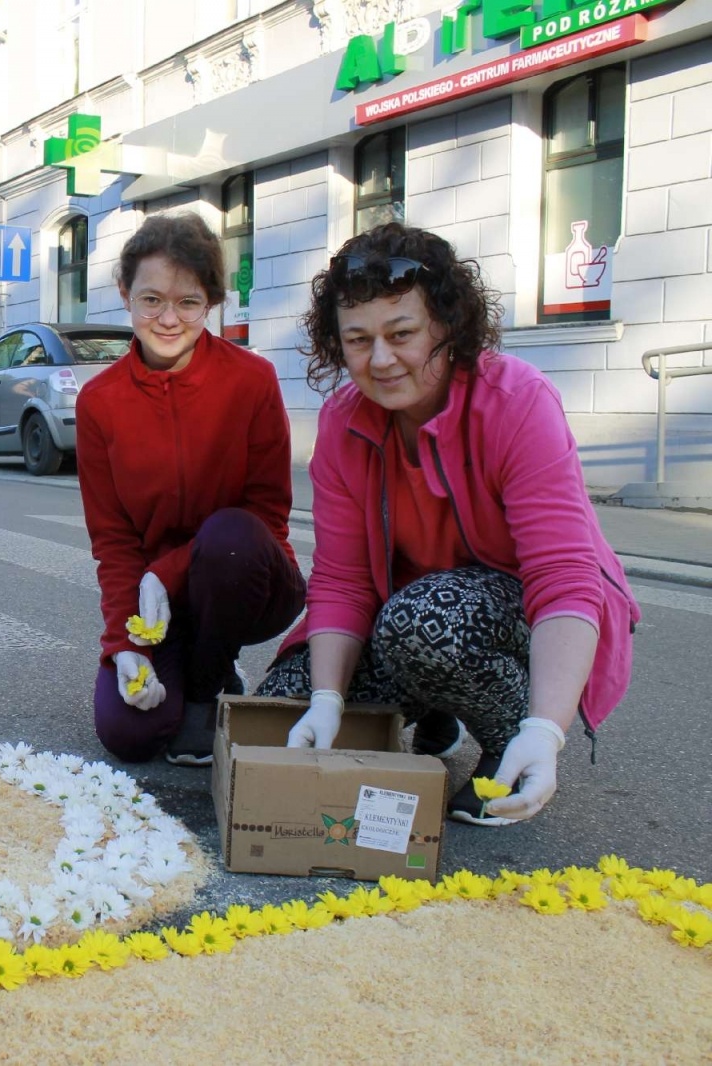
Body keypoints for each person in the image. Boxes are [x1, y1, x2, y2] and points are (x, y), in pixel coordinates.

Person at [259, 222, 639, 826]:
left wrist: (546, 728)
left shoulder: (516, 401)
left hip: (492, 616)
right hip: (399, 612)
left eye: (401, 334)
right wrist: (328, 698)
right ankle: (430, 711)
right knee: (280, 710)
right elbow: (341, 579)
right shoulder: (341, 423)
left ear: (447, 325)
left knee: (426, 624)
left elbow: (563, 577)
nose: (379, 360)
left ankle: (512, 739)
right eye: (357, 340)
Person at [76, 212, 305, 767]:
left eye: (189, 302)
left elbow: (267, 516)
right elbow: (113, 541)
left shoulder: (252, 381)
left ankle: (209, 685)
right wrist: (124, 647)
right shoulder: (99, 402)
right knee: (128, 733)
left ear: (211, 303)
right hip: (155, 608)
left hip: (248, 574)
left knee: (230, 537)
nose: (168, 318)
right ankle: (187, 668)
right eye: (152, 299)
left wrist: (168, 569)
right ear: (125, 294)